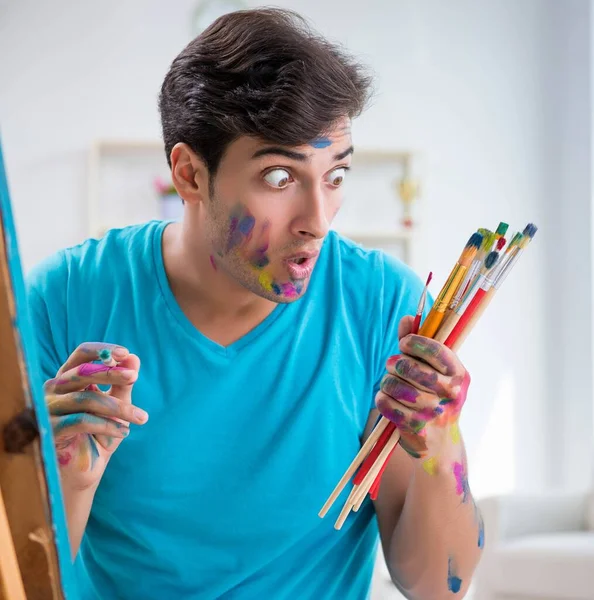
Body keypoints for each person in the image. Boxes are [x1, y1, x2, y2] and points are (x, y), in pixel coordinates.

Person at [27, 8, 483, 600]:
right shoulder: (63, 299)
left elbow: (438, 587)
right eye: (279, 178)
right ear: (190, 175)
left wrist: (438, 439)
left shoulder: (387, 311)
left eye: (336, 175)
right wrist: (65, 483)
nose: (318, 221)